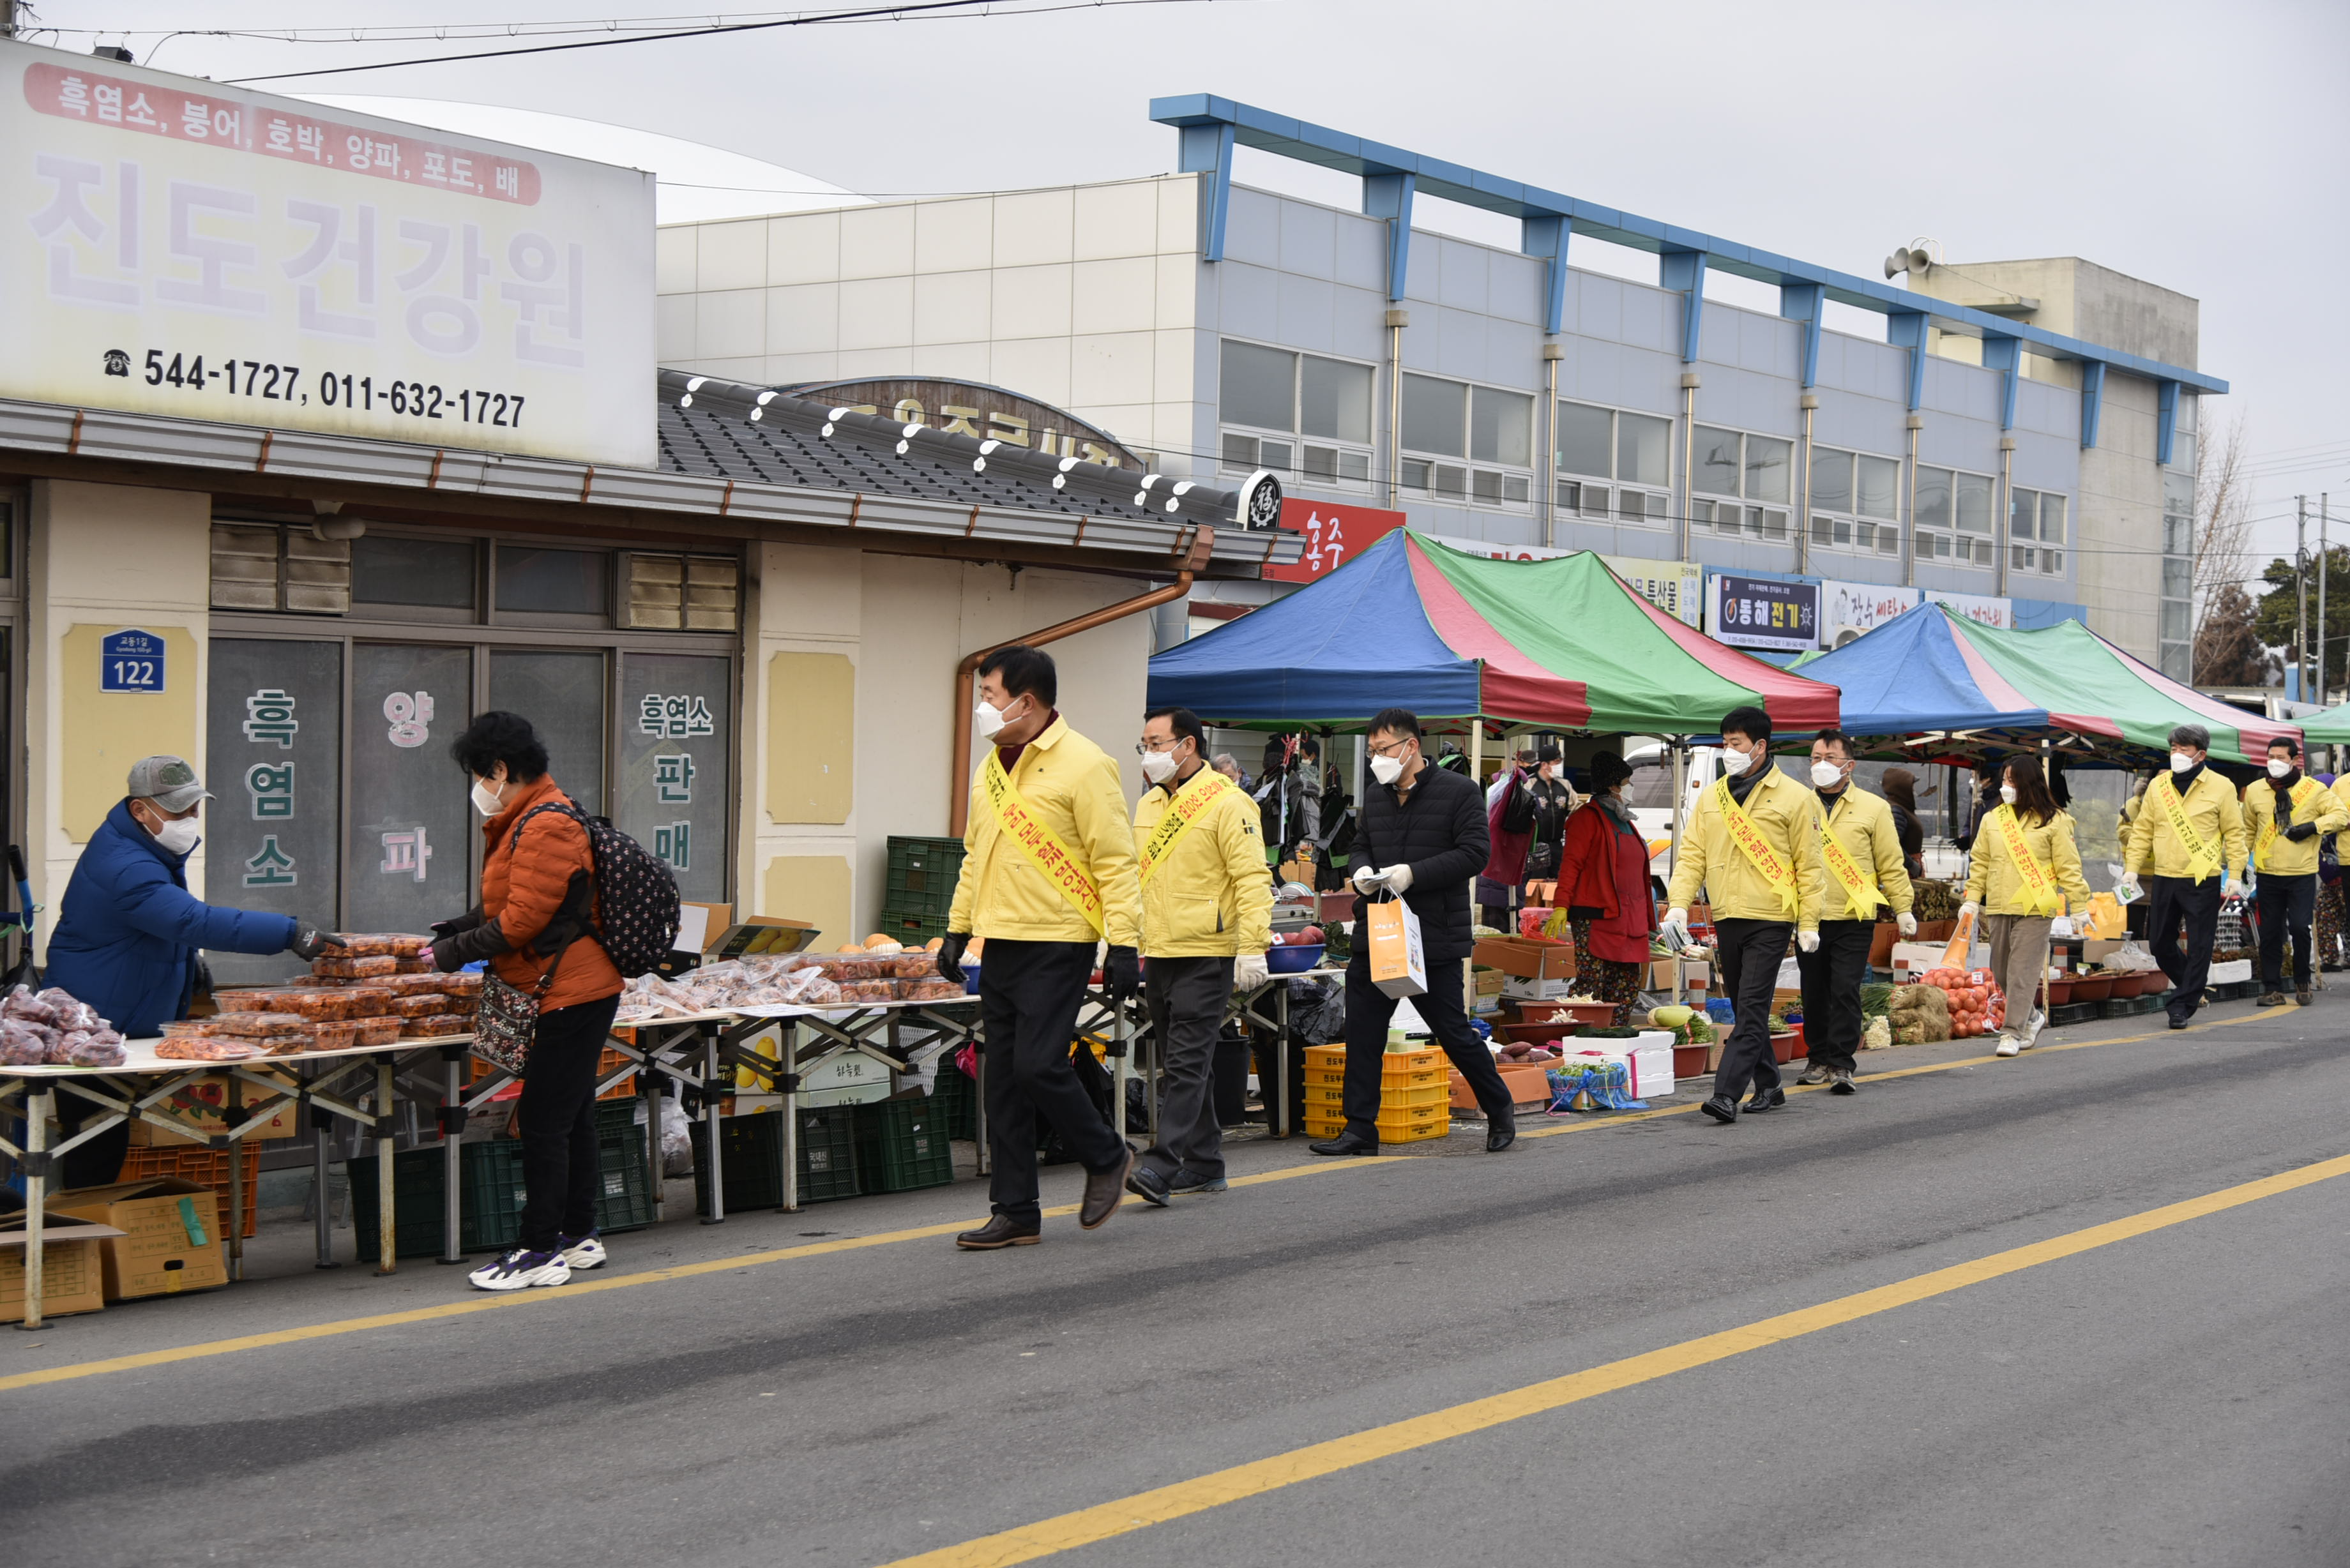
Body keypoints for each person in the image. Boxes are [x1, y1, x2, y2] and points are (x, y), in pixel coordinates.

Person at [44, 756, 342, 1188]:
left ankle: (94, 1237)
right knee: (94, 1146)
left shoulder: (143, 846)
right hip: (95, 1025)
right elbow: (190, 920)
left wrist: (186, 961)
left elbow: (154, 927)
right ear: (139, 810)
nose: (189, 819)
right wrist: (290, 932)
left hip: (119, 1023)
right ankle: (81, 1245)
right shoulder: (126, 864)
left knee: (103, 1140)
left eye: (194, 808)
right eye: (177, 811)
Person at [937, 645, 1141, 1248]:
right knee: (1001, 1078)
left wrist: (1124, 943)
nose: (982, 707)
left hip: (1060, 940)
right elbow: (979, 855)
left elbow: (1116, 861)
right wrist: (956, 926)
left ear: (1025, 702)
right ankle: (1016, 1210)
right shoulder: (992, 767)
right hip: (1000, 940)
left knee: (1038, 1063)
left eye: (990, 696)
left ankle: (1107, 1156)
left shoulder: (1086, 764)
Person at [430, 713, 625, 1292]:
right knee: (571, 1115)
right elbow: (510, 904)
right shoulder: (528, 818)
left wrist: (449, 953)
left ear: (499, 770)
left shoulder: (544, 824)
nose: (478, 789)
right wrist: (451, 930)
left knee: (542, 1121)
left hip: (571, 989)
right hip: (564, 986)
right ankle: (577, 1235)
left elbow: (520, 921)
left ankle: (539, 1250)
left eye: (478, 774)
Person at [1308, 707, 1519, 1157]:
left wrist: (1412, 874)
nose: (1376, 759)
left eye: (1383, 750)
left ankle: (1500, 1110)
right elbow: (1360, 843)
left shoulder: (1459, 792)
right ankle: (1360, 1129)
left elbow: (1475, 854)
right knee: (1364, 1032)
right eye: (1372, 752)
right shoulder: (1377, 793)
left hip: (1432, 937)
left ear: (1410, 747)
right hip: (1378, 932)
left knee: (1452, 1031)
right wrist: (1362, 868)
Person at [1123, 705, 1273, 1206]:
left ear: (1188, 746)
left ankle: (1163, 1165)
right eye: (1144, 744)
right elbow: (1134, 878)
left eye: (1157, 743)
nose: (1149, 753)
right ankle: (1206, 1164)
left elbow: (1253, 879)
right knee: (1185, 1063)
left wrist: (1252, 946)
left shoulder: (1230, 804)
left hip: (1208, 953)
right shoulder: (1147, 806)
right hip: (1161, 950)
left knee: (1186, 1065)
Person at [1664, 705, 1824, 1124]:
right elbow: (1692, 855)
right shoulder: (1713, 796)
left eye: (1735, 744)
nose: (1727, 751)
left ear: (1760, 746)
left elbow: (1810, 867)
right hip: (1728, 915)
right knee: (1743, 1006)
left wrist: (1808, 923)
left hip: (1771, 917)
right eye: (1724, 743)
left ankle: (1726, 1094)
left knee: (1752, 1006)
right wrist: (1678, 904)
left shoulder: (1796, 798)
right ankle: (1770, 1084)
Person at [1798, 732, 1916, 1092]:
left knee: (1845, 990)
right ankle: (1817, 1057)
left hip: (1855, 915)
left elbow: (1891, 864)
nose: (1821, 764)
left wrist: (1903, 907)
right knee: (1814, 990)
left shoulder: (1874, 808)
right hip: (1810, 917)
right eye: (1815, 757)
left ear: (1849, 765)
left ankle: (1841, 1063)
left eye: (1830, 757)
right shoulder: (1799, 805)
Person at [1961, 758, 2093, 1057]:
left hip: (2036, 905)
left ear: (2029, 783)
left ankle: (2011, 1032)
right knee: (2001, 969)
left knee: (2023, 971)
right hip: (1998, 903)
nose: (2005, 787)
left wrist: (2079, 905)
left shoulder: (2055, 821)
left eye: (2012, 781)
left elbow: (2069, 866)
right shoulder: (1993, 819)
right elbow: (1980, 861)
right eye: (2004, 781)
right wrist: (1972, 897)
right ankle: (2032, 1017)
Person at [2123, 723, 2248, 1030]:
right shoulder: (2158, 786)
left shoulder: (2222, 787)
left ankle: (2182, 1006)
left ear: (2201, 754)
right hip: (2165, 875)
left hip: (2201, 877)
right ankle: (2190, 987)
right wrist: (2131, 869)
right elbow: (2142, 831)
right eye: (2173, 749)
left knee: (2200, 944)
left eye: (2184, 749)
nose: (2177, 754)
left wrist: (2234, 873)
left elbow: (2234, 833)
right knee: (2159, 943)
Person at [1552, 752, 1654, 1025]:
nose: (1631, 787)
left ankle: (1616, 1033)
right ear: (1613, 785)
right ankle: (1583, 1038)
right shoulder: (1586, 818)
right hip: (1596, 917)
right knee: (1592, 984)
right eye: (1627, 781)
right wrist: (1561, 905)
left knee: (1627, 982)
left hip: (1629, 918)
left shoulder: (1625, 820)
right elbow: (1570, 865)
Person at [2244, 736, 2344, 1006]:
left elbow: (2341, 815)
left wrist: (2312, 827)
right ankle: (2272, 988)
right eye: (2271, 757)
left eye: (2281, 758)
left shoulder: (2313, 789)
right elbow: (2247, 831)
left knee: (2300, 928)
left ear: (2294, 760)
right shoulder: (2254, 791)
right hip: (2267, 874)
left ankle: (2303, 982)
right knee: (2270, 934)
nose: (2274, 763)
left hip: (2301, 873)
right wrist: (2242, 864)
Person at [1880, 765, 1928, 881]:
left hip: (1908, 867)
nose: (1913, 790)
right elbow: (1892, 845)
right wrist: (1911, 865)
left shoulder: (1903, 807)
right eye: (1911, 786)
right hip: (1903, 870)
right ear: (1902, 787)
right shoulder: (1896, 810)